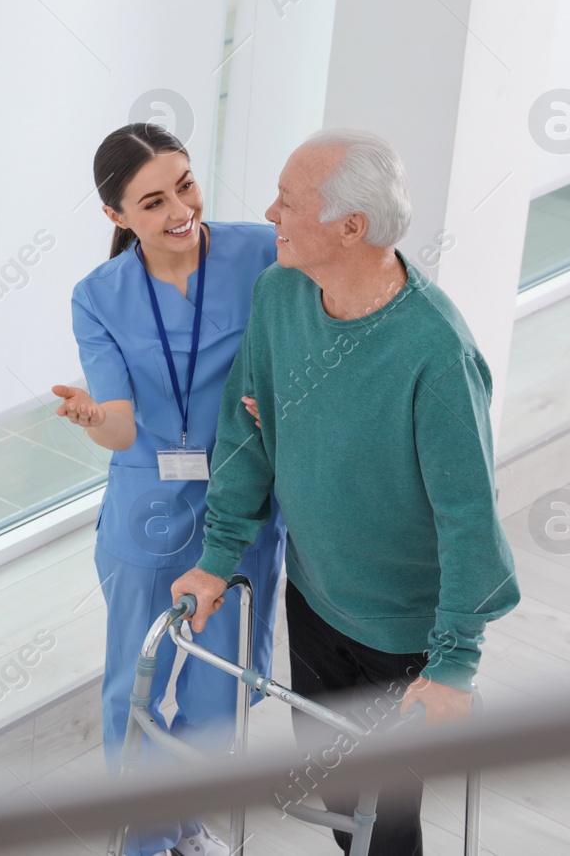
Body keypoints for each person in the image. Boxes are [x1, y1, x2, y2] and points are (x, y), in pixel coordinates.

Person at [171, 128, 520, 856]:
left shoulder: (434, 353)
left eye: (289, 201)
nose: (269, 212)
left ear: (349, 227)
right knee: (333, 789)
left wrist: (455, 662)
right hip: (317, 597)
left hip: (404, 632)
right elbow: (247, 434)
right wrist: (217, 556)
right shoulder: (280, 295)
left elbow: (469, 519)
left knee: (385, 823)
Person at [54, 122, 287, 856]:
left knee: (226, 691)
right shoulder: (99, 295)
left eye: (184, 184)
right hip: (146, 509)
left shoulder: (259, 250)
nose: (180, 209)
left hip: (239, 506)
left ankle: (179, 817)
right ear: (117, 217)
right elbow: (122, 426)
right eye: (152, 202)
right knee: (135, 692)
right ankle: (144, 843)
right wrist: (93, 419)